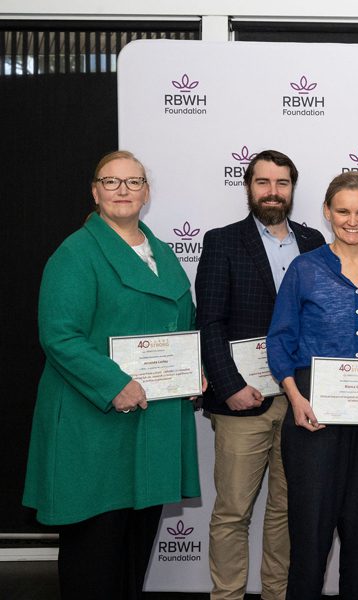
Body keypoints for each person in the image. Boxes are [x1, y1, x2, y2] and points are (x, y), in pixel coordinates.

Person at [22, 150, 200, 599]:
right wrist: (114, 384)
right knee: (95, 558)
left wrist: (192, 369)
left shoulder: (162, 253)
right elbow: (60, 336)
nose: (124, 190)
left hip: (151, 423)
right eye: (112, 181)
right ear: (95, 191)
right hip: (94, 424)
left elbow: (182, 323)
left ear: (147, 191)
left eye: (134, 182)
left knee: (134, 553)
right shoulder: (76, 252)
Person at [266, 171, 358, 600]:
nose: (353, 220)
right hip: (314, 413)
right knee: (309, 537)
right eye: (343, 211)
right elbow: (280, 339)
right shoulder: (305, 268)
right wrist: (294, 398)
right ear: (327, 212)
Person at [195, 150, 325, 600]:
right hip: (241, 403)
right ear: (248, 186)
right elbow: (208, 321)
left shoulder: (314, 243)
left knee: (286, 512)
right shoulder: (222, 241)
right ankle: (227, 595)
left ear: (292, 189)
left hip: (299, 401)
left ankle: (277, 595)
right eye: (263, 182)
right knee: (232, 512)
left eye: (282, 183)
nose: (273, 192)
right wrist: (229, 387)